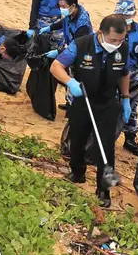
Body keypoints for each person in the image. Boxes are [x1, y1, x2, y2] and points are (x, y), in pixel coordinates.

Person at [50, 15, 131, 208]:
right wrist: (71, 82)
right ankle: (77, 173)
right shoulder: (80, 45)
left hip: (107, 104)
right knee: (77, 141)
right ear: (100, 33)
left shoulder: (123, 49)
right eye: (113, 40)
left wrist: (126, 98)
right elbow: (56, 66)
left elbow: (124, 73)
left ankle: (104, 190)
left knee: (105, 148)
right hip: (83, 101)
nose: (117, 44)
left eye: (121, 40)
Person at [115, 0, 138, 156]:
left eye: (126, 16)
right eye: (121, 15)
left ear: (134, 14)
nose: (123, 19)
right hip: (114, 70)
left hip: (133, 73)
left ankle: (130, 138)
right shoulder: (110, 26)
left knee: (132, 106)